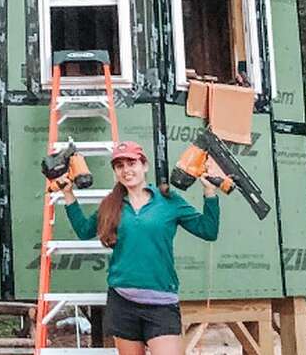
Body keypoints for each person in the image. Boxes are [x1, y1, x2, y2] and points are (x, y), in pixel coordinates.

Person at [58, 141, 219, 355]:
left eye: (131, 163)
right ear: (115, 171)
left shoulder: (168, 200)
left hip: (161, 303)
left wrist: (210, 193)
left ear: (145, 166)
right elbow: (84, 230)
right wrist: (68, 194)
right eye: (120, 165)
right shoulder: (110, 204)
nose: (126, 170)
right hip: (122, 301)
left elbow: (208, 230)